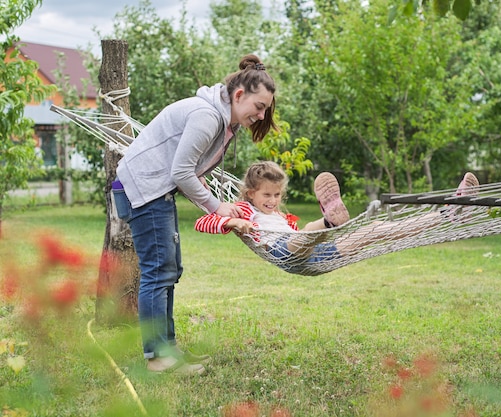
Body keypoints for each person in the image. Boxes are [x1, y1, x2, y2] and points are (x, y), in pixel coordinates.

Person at [112, 54, 278, 375]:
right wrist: (217, 207)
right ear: (239, 95)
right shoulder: (207, 116)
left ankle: (168, 350)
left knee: (169, 270)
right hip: (143, 191)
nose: (260, 115)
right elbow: (181, 172)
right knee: (158, 272)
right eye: (258, 107)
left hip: (151, 190)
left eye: (265, 110)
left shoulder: (219, 118)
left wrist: (218, 210)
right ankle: (158, 358)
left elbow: (189, 172)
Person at [194, 161, 480, 274]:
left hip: (317, 253)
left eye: (277, 195)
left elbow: (294, 230)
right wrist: (232, 222)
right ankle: (328, 222)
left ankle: (448, 214)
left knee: (377, 228)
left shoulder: (281, 216)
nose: (272, 201)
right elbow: (202, 221)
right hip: (283, 251)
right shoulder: (243, 210)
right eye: (266, 196)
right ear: (251, 194)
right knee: (303, 232)